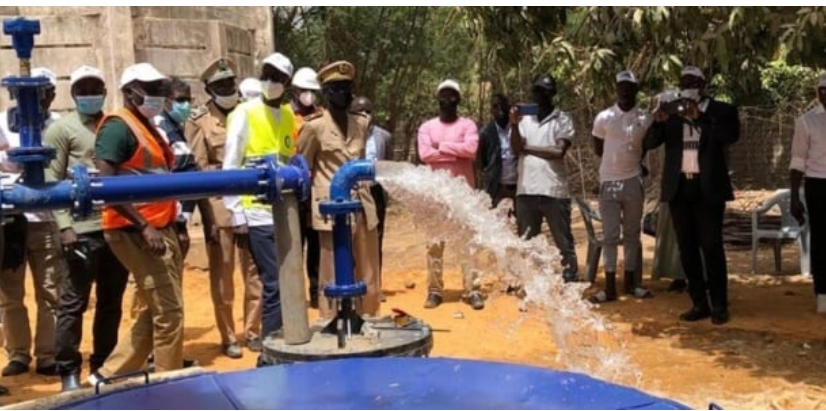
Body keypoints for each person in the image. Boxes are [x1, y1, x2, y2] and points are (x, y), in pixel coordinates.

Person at [89, 62, 184, 384]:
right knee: (169, 313)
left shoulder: (148, 126)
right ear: (131, 91)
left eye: (161, 88)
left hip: (159, 228)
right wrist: (144, 226)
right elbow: (106, 184)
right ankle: (168, 386)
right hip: (134, 231)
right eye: (153, 89)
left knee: (157, 308)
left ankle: (109, 374)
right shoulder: (118, 127)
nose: (160, 95)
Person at [44, 65, 130, 392]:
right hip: (80, 230)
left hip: (115, 226)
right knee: (73, 302)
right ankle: (68, 369)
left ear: (105, 91)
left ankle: (103, 365)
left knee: (112, 301)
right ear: (74, 94)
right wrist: (65, 227)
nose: (90, 93)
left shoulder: (114, 126)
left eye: (96, 87)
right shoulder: (61, 130)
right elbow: (52, 181)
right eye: (84, 88)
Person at [644, 66, 740, 325]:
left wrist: (699, 118)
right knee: (687, 248)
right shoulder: (672, 113)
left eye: (693, 81)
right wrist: (658, 120)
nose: (688, 85)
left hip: (708, 188)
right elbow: (650, 142)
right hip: (679, 188)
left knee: (711, 247)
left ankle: (719, 304)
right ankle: (699, 303)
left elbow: (730, 136)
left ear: (703, 84)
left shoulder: (721, 111)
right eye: (684, 81)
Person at [186, 58, 261, 357]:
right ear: (208, 89)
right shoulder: (198, 121)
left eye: (230, 83)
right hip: (219, 205)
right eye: (220, 86)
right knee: (223, 274)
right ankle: (228, 335)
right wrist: (208, 219)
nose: (228, 89)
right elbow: (199, 170)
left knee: (255, 272)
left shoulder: (250, 112)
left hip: (252, 200)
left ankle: (253, 331)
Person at [223, 53, 295, 357]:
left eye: (276, 77)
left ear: (286, 83)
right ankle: (270, 347)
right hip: (255, 211)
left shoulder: (289, 115)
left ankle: (284, 337)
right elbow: (230, 162)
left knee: (288, 277)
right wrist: (235, 209)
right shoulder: (245, 112)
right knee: (273, 281)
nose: (269, 82)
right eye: (265, 75)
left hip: (283, 211)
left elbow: (288, 158)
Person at [298, 60, 381, 320]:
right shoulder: (314, 127)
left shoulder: (361, 123)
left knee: (368, 270)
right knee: (331, 271)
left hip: (363, 205)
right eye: (336, 88)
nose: (343, 93)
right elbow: (304, 168)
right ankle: (330, 323)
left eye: (347, 87)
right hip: (331, 210)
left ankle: (369, 320)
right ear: (326, 92)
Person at [0, 67, 64, 377]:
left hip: (47, 218)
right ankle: (18, 353)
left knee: (50, 289)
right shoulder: (2, 122)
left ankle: (47, 354)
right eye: (37, 92)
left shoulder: (58, 123)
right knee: (11, 292)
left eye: (47, 92)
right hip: (12, 220)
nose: (43, 98)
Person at [417, 79, 484, 310]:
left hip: (463, 194)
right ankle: (435, 290)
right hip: (436, 195)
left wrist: (442, 147)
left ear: (459, 99)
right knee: (434, 245)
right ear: (438, 99)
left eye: (452, 96)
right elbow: (425, 154)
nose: (448, 100)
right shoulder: (426, 127)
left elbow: (471, 150)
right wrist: (456, 151)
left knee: (468, 243)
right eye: (444, 96)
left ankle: (473, 289)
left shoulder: (468, 125)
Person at [589, 70, 653, 303]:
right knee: (610, 235)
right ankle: (609, 287)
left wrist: (635, 162)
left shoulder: (645, 119)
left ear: (636, 90)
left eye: (630, 87)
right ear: (616, 89)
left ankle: (631, 283)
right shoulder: (604, 118)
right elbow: (598, 148)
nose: (625, 91)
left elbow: (646, 145)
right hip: (609, 181)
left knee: (632, 234)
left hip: (633, 181)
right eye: (621, 87)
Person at [509, 73, 579, 283]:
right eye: (538, 90)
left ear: (553, 93)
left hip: (554, 190)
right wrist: (513, 124)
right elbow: (515, 148)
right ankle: (532, 282)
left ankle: (570, 279)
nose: (541, 95)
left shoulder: (563, 119)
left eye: (546, 90)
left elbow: (558, 152)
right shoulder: (524, 120)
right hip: (526, 189)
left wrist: (527, 148)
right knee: (527, 242)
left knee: (563, 241)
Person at [790, 74, 826, 313]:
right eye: (821, 90)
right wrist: (794, 196)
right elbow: (797, 160)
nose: (824, 94)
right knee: (822, 240)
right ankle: (822, 293)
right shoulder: (806, 121)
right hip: (818, 185)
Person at [351, 96, 392, 302]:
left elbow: (388, 164)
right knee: (353, 237)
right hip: (353, 192)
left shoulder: (384, 136)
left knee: (376, 238)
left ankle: (376, 286)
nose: (364, 115)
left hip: (375, 193)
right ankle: (354, 284)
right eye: (359, 111)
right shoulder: (346, 134)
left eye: (367, 111)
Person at [291, 66, 322, 308]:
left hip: (315, 191)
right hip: (292, 191)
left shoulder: (322, 116)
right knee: (294, 244)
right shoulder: (285, 116)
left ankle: (315, 291)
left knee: (316, 244)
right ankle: (294, 294)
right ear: (295, 90)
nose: (308, 95)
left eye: (312, 91)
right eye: (305, 90)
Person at [477, 93, 517, 209]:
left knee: (522, 222)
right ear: (491, 110)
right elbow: (482, 162)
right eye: (495, 106)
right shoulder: (485, 133)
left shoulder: (519, 128)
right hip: (496, 188)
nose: (500, 109)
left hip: (519, 187)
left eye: (503, 105)